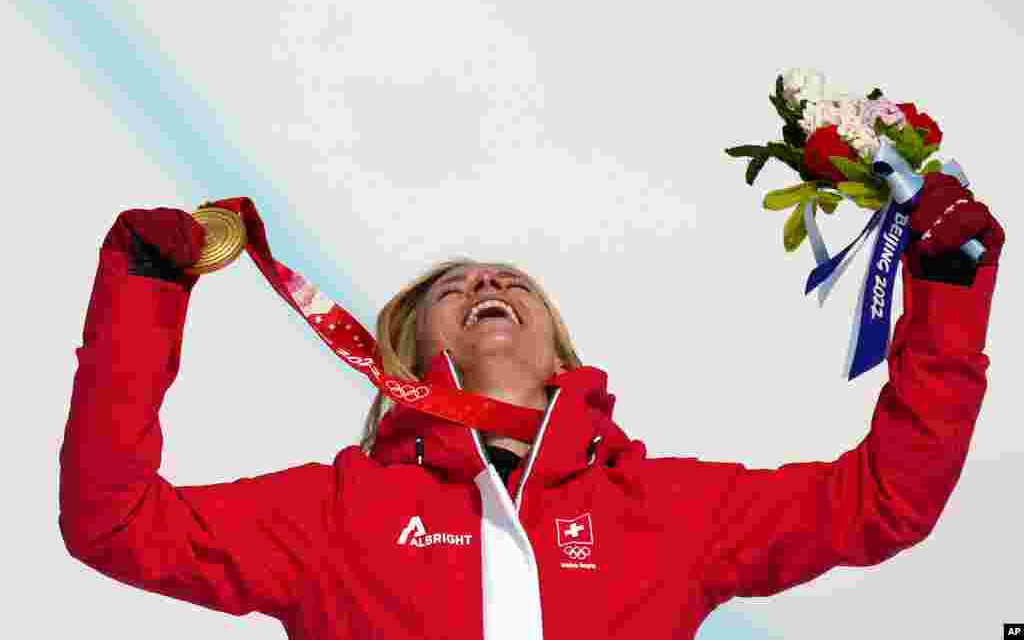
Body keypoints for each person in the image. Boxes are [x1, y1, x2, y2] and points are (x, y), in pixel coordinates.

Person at [59, 173, 1004, 639]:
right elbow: (114, 522)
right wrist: (143, 292)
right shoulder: (331, 516)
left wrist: (945, 290)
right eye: (452, 288)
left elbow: (887, 501)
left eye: (509, 280)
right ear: (404, 352)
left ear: (560, 347)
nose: (483, 282)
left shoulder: (671, 513)